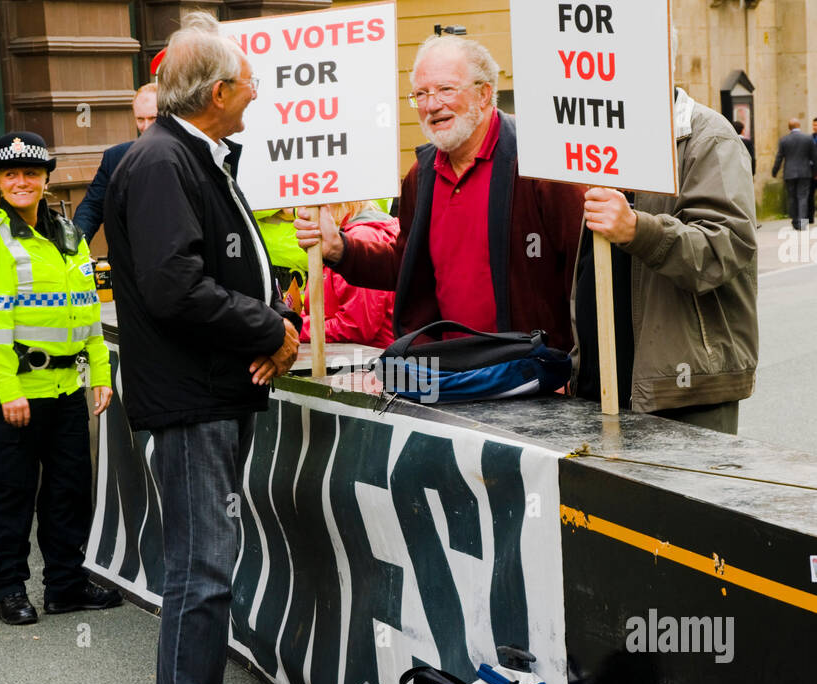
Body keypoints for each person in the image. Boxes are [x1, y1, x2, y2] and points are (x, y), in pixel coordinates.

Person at [104, 13, 300, 684]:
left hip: (208, 393)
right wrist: (270, 326)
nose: (256, 92)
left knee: (205, 565)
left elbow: (216, 265)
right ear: (218, 92)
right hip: (190, 401)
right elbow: (175, 286)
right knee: (199, 569)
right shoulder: (162, 162)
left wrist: (268, 307)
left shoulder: (189, 157)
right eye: (248, 81)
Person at [294, 34, 585, 349]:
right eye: (421, 93)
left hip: (532, 373)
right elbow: (403, 267)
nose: (432, 105)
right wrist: (340, 248)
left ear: (484, 93)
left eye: (446, 89)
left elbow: (584, 270)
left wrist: (572, 366)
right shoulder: (422, 175)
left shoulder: (539, 163)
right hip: (447, 370)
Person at [0, 132, 121, 624]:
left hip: (67, 387)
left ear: (46, 177)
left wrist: (102, 371)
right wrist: (7, 387)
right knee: (12, 492)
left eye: (30, 172)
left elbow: (86, 309)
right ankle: (7, 589)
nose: (22, 181)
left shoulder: (68, 233)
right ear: (0, 182)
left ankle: (64, 585)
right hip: (15, 393)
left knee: (68, 490)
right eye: (11, 174)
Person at [575, 69, 758, 435]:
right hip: (601, 385)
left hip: (682, 392)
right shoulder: (602, 142)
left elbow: (727, 247)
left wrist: (636, 230)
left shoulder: (708, 136)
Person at [299, 200, 398, 349]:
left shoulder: (361, 236)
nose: (303, 212)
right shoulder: (353, 235)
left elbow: (357, 327)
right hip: (361, 357)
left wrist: (295, 329)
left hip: (367, 361)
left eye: (318, 206)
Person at [73, 83, 158, 244]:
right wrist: (76, 245)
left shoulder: (187, 153)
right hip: (128, 262)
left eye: (154, 118)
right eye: (140, 119)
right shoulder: (115, 158)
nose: (146, 127)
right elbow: (92, 208)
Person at [771, 118, 816, 231]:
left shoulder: (784, 140)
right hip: (805, 172)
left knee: (792, 198)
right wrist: (815, 172)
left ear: (789, 127)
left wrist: (774, 171)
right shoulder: (808, 138)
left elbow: (779, 157)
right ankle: (803, 223)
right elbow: (814, 157)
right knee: (803, 197)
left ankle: (795, 222)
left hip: (789, 173)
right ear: (799, 125)